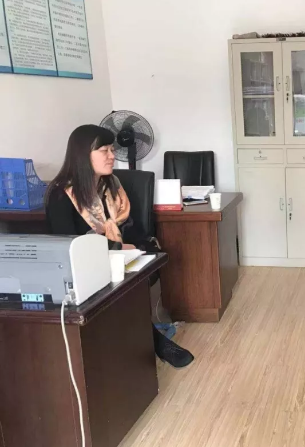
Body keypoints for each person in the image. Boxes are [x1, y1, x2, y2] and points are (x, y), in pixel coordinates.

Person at [46, 124, 194, 368]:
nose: (112, 156)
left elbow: (131, 225)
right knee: (121, 288)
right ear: (82, 154)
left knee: (139, 271)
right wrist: (115, 248)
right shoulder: (62, 194)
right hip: (85, 266)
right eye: (104, 151)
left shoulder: (110, 184)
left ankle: (145, 347)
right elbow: (70, 244)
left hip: (119, 255)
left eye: (112, 149)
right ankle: (157, 344)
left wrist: (135, 246)